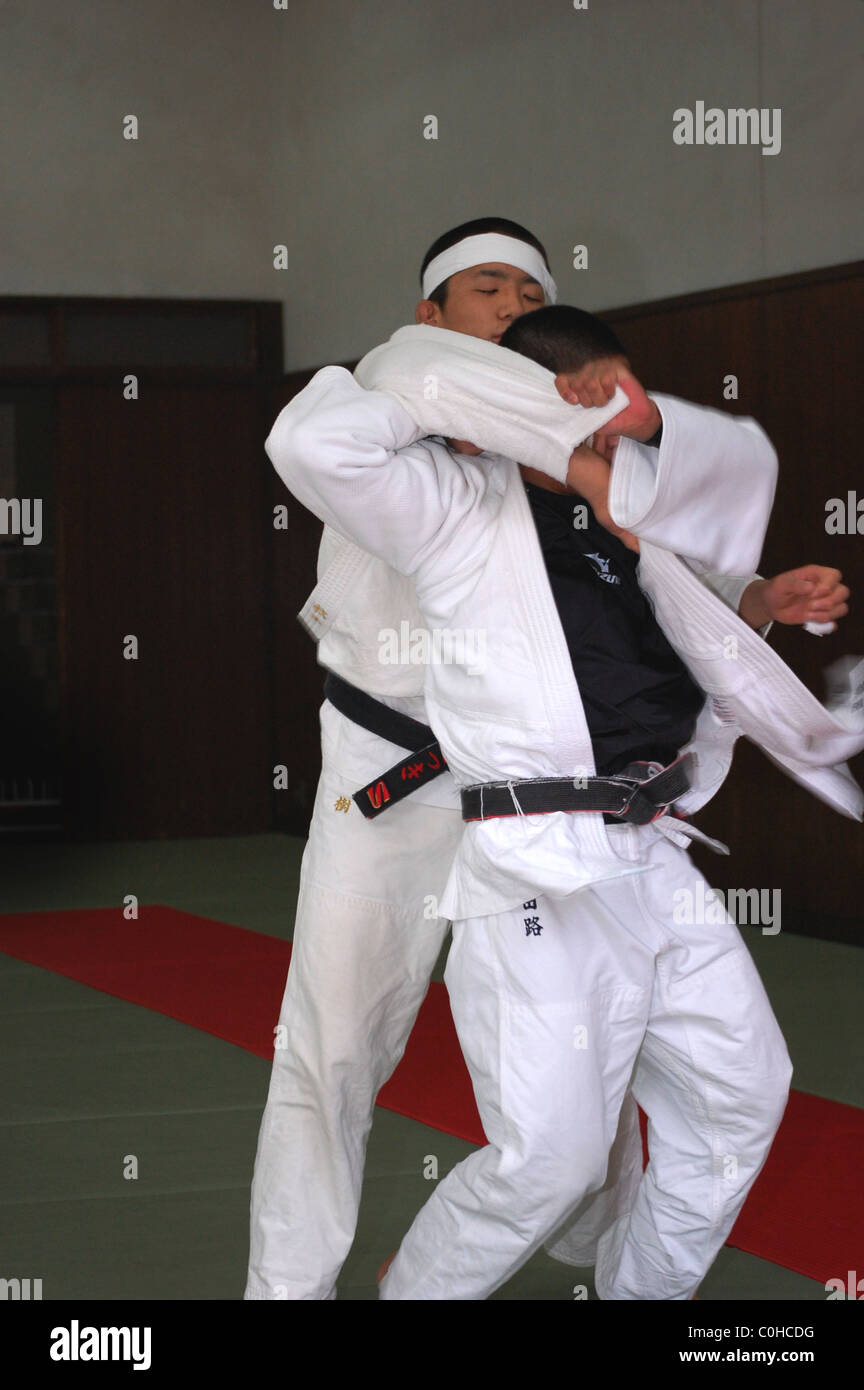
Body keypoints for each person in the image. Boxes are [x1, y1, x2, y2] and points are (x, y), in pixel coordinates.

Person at [265, 303, 861, 1299]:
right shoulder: (455, 504)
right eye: (591, 400)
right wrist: (521, 414)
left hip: (654, 850)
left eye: (626, 400)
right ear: (515, 405)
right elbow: (309, 439)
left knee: (742, 1096)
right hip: (535, 855)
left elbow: (686, 602)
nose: (615, 421)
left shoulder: (641, 514)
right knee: (553, 1160)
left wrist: (761, 601)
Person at [245, 220, 647, 1302]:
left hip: (529, 789)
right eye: (486, 288)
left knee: (591, 1039)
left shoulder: (563, 463)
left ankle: (610, 1257)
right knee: (331, 1045)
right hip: (386, 776)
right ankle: (287, 1287)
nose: (511, 303)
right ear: (430, 314)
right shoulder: (375, 409)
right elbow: (354, 415)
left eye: (529, 290)